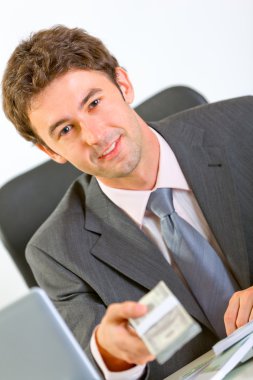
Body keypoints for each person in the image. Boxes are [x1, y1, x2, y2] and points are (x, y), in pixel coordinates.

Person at [2, 25, 253, 380]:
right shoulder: (56, 254)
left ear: (123, 84)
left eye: (94, 103)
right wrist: (113, 356)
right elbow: (95, 365)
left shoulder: (245, 125)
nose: (95, 136)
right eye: (65, 130)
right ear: (49, 150)